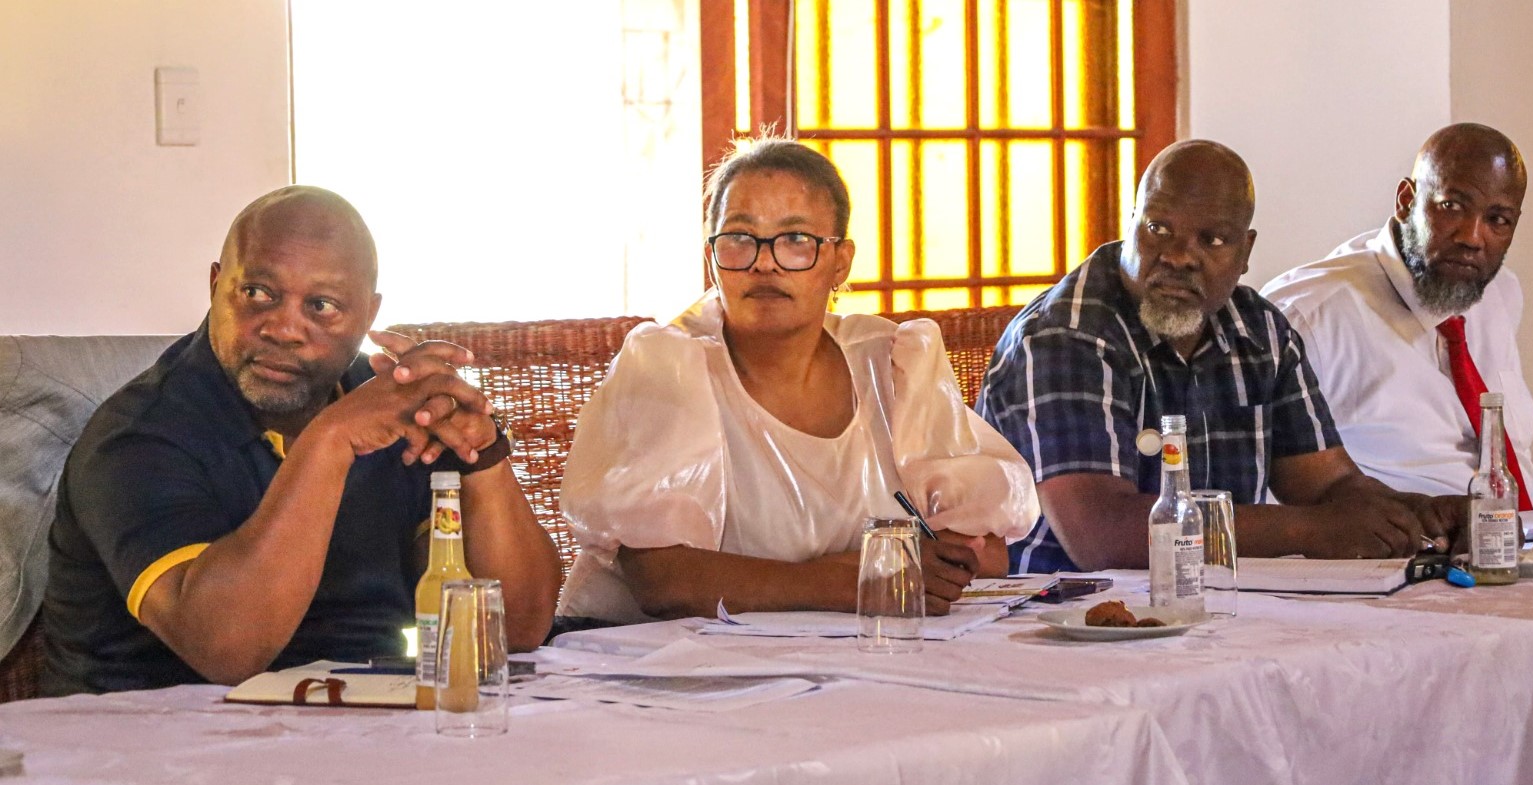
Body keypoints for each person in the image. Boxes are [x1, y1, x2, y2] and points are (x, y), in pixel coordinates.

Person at [41, 186, 562, 695]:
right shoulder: (138, 438)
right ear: (216, 286)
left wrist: (482, 456)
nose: (285, 328)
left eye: (322, 305)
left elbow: (515, 630)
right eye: (257, 294)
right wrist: (330, 441)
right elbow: (225, 649)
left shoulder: (389, 406)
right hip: (153, 744)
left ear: (369, 316)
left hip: (366, 725)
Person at [555, 138, 1039, 626]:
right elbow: (667, 582)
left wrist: (799, 579)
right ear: (711, 258)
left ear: (840, 262)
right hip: (645, 665)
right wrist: (859, 578)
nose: (764, 262)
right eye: (740, 239)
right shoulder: (669, 363)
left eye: (796, 240)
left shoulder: (890, 362)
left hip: (828, 657)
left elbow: (984, 551)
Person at [978, 140, 1461, 574]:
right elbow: (1103, 535)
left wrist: (1426, 516)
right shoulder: (1067, 336)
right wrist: (1313, 531)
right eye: (1158, 228)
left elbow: (1329, 486)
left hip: (1216, 607)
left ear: (1245, 251)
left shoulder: (1260, 331)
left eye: (1212, 240)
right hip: (1062, 621)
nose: (1179, 256)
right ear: (1130, 223)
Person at [1262, 123, 1533, 509]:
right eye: (1452, 206)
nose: (1472, 237)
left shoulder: (1499, 294)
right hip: (1400, 560)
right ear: (1406, 200)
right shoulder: (1308, 316)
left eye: (1497, 220)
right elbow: (1262, 485)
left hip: (1527, 549)